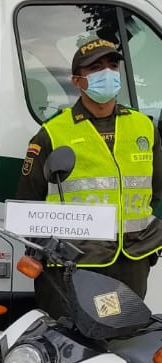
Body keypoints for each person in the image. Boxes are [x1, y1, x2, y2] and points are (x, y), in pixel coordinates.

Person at [17, 38, 162, 319]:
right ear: (77, 81)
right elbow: (28, 202)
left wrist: (152, 243)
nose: (107, 73)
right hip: (74, 264)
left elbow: (159, 191)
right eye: (96, 68)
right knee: (71, 343)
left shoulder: (143, 127)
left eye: (112, 65)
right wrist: (44, 255)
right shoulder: (53, 133)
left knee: (125, 339)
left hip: (131, 260)